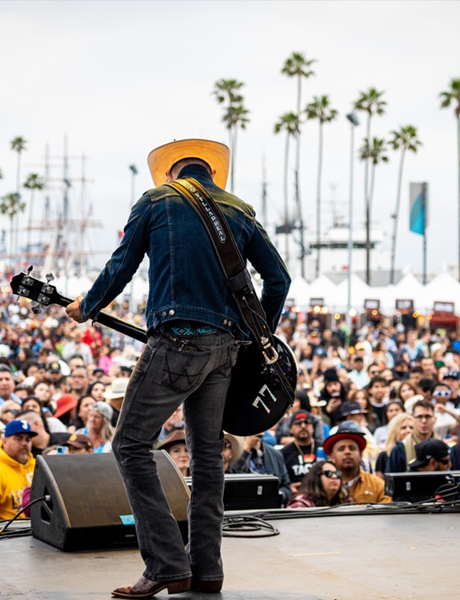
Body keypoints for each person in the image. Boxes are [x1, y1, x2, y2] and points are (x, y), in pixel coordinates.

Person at [66, 138, 289, 598]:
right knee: (208, 457)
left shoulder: (156, 200)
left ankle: (167, 564)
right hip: (227, 350)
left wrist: (86, 306)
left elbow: (121, 264)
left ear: (170, 174)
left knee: (129, 444)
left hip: (177, 340)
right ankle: (207, 570)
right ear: (212, 176)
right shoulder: (240, 209)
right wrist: (255, 337)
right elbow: (279, 279)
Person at [323, 421, 391, 503]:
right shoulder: (321, 486)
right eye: (341, 449)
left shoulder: (378, 485)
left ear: (360, 454)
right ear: (332, 456)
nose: (347, 452)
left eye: (352, 448)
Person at [228, 432, 292, 505]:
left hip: (270, 507)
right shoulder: (233, 452)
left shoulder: (276, 455)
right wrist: (246, 450)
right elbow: (232, 476)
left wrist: (277, 494)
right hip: (243, 505)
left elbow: (286, 487)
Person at [286, 460, 353, 508]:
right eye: (328, 473)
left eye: (337, 474)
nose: (334, 477)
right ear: (316, 478)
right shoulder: (300, 504)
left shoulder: (346, 502)